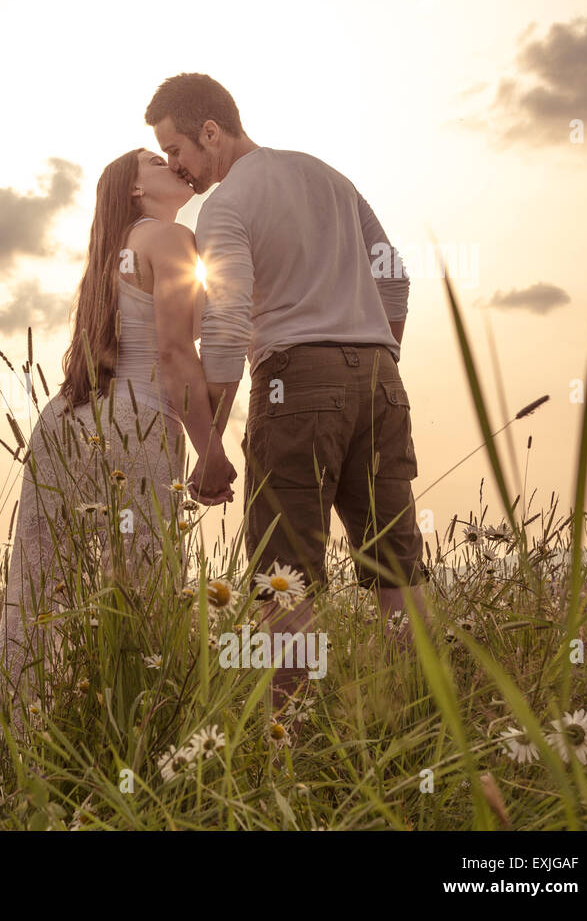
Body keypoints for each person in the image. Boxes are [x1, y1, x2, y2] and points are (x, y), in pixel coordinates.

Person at [145, 72, 432, 714]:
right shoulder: (330, 177)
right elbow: (396, 279)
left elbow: (223, 323)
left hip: (295, 385)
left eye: (178, 150)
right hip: (382, 381)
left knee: (285, 577)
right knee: (397, 568)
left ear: (211, 132)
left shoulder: (226, 206)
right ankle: (425, 722)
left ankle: (291, 745)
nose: (177, 167)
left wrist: (212, 443)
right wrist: (373, 357)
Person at [0, 147, 235, 763]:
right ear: (132, 190)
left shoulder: (113, 254)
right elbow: (175, 353)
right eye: (154, 159)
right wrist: (212, 451)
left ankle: (10, 755)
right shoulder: (169, 237)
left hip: (67, 422)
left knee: (38, 596)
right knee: (145, 595)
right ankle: (138, 754)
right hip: (137, 423)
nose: (171, 163)